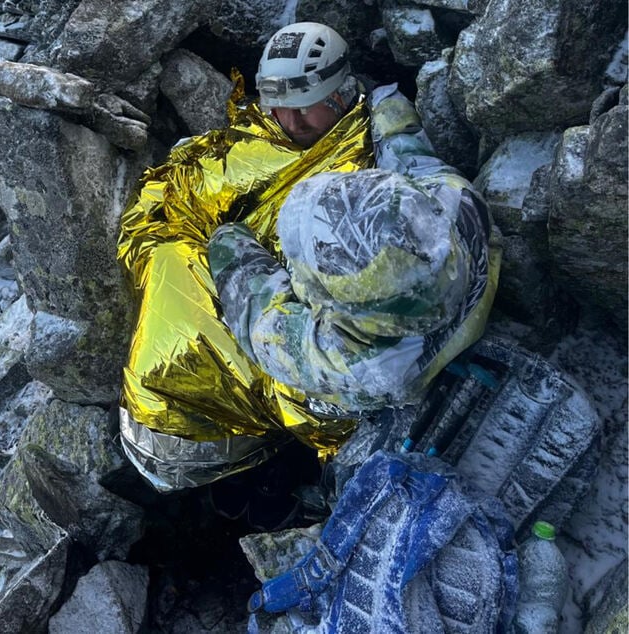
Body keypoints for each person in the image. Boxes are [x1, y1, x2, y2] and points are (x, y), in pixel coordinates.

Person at [116, 22, 501, 507]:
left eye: (303, 110)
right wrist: (391, 115)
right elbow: (415, 160)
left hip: (326, 401)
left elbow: (266, 325)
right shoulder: (454, 211)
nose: (287, 123)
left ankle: (255, 490)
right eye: (279, 108)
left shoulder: (361, 363)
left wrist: (233, 251)